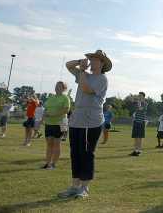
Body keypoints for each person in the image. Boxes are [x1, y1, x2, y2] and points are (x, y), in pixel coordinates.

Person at [58, 50, 111, 199]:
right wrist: (79, 62)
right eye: (91, 58)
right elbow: (68, 65)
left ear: (102, 64)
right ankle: (74, 186)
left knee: (87, 154)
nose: (92, 61)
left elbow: (86, 89)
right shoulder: (84, 75)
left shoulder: (102, 79)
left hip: (91, 120)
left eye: (96, 59)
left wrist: (81, 70)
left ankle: (84, 187)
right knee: (75, 153)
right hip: (77, 119)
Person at [42, 81, 71, 170]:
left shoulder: (65, 98)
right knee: (49, 144)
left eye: (59, 86)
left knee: (56, 144)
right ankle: (47, 163)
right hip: (49, 123)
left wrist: (54, 114)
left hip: (60, 123)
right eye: (56, 86)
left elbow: (66, 110)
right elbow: (45, 108)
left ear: (64, 88)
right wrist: (44, 116)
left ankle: (53, 164)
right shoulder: (51, 97)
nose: (57, 88)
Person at [130, 92, 148, 156]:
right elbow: (132, 101)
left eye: (140, 96)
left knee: (140, 137)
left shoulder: (145, 103)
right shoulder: (137, 103)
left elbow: (140, 109)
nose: (139, 97)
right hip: (136, 121)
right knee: (135, 137)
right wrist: (132, 98)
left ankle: (138, 150)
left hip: (141, 122)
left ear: (143, 97)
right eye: (138, 95)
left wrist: (138, 102)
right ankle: (135, 150)